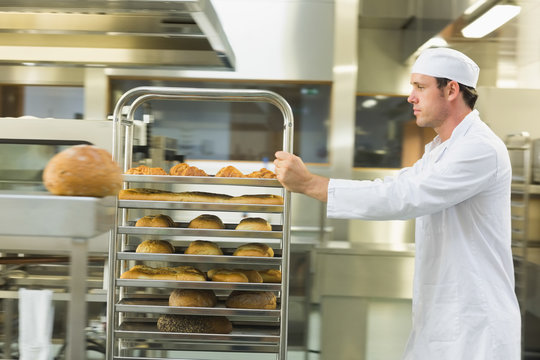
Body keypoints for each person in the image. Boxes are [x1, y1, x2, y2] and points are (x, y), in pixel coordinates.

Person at [274, 47, 521, 360]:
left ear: (451, 90)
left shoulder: (479, 149)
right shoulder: (440, 150)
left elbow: (404, 198)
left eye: (420, 87)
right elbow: (395, 187)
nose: (410, 97)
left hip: (476, 326)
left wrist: (311, 184)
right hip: (445, 319)